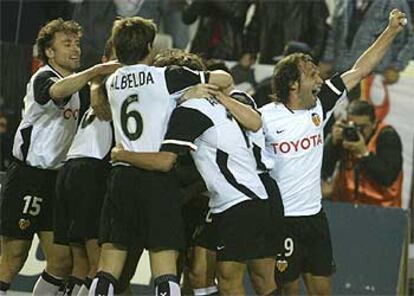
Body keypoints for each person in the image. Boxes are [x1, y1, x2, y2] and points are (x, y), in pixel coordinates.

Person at [259, 9, 407, 295]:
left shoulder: (319, 106)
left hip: (314, 218)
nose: (319, 80)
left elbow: (360, 70)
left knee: (322, 291)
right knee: (289, 291)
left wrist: (390, 31)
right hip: (281, 219)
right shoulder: (264, 118)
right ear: (293, 84)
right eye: (312, 75)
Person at [110, 50, 280, 296]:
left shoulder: (190, 111)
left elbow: (164, 162)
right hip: (221, 204)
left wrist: (121, 155)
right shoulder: (202, 103)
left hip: (243, 202)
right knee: (199, 272)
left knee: (230, 280)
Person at [88, 17, 232, 296]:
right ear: (150, 46)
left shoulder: (113, 80)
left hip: (122, 176)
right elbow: (224, 79)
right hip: (158, 178)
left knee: (107, 267)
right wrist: (188, 92)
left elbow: (102, 96)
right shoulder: (166, 77)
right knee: (164, 267)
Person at [0, 18, 117, 296]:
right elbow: (55, 92)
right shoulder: (44, 76)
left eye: (77, 43)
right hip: (28, 177)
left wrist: (99, 83)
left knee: (62, 262)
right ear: (49, 52)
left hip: (57, 181)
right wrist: (97, 70)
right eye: (66, 44)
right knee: (13, 257)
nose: (75, 49)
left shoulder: (79, 89)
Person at [320, 0, 414, 95]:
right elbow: (334, 32)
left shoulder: (395, 3)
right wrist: (327, 59)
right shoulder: (343, 2)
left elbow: (409, 39)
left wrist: (396, 66)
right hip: (342, 73)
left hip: (374, 77)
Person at [322, 100, 403, 207]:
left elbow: (388, 177)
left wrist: (364, 154)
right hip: (345, 205)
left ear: (374, 123)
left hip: (381, 208)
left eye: (362, 127)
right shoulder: (344, 133)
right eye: (353, 126)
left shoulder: (387, 136)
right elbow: (324, 171)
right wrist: (332, 143)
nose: (357, 131)